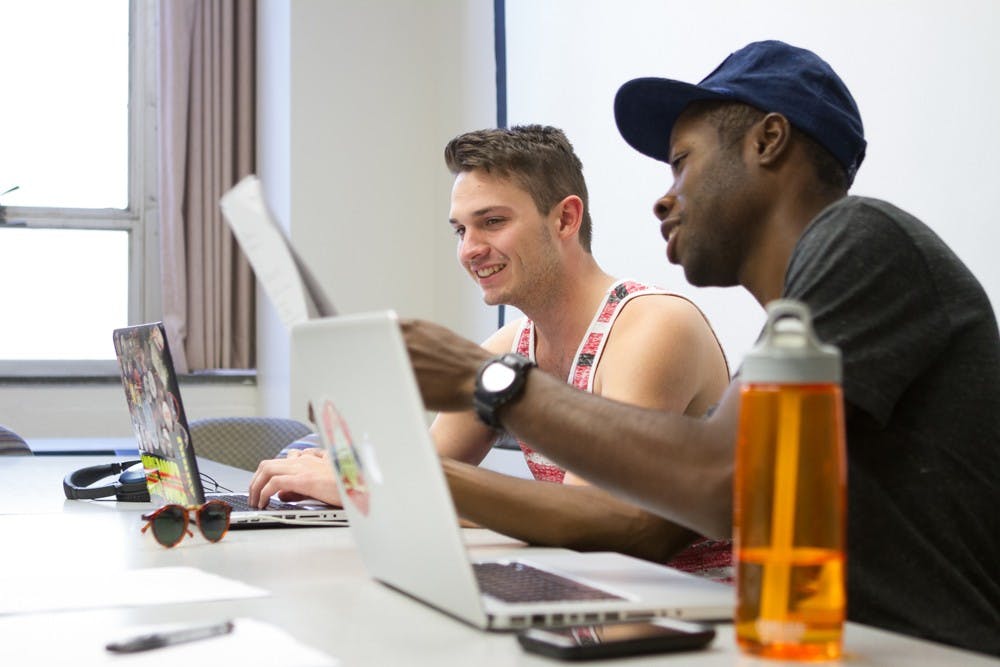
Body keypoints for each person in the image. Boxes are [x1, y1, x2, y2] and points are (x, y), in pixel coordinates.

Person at [399, 41, 1000, 655]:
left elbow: (721, 481)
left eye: (682, 162)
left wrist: (490, 382)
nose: (663, 198)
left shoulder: (865, 239)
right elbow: (653, 524)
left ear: (768, 141)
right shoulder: (791, 327)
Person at [250, 125, 733, 575]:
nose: (469, 249)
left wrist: (370, 483)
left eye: (492, 222)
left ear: (566, 218)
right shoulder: (510, 345)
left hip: (695, 613)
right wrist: (352, 475)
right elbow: (428, 472)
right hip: (595, 589)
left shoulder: (654, 327)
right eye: (461, 230)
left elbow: (592, 521)